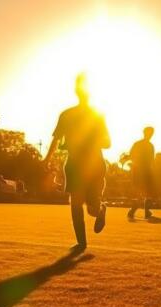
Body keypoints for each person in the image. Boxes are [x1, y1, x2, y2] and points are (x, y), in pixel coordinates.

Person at [44, 73, 111, 254]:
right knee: (75, 202)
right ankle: (81, 243)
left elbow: (108, 142)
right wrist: (46, 158)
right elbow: (56, 139)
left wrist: (89, 141)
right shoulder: (66, 114)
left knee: (91, 209)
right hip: (74, 163)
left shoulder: (97, 115)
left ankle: (101, 209)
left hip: (94, 163)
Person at [125, 126, 156, 220]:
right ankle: (137, 211)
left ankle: (138, 211)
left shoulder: (139, 144)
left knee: (144, 192)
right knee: (146, 192)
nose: (150, 135)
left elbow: (131, 155)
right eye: (150, 133)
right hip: (143, 170)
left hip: (140, 169)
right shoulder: (150, 146)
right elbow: (151, 160)